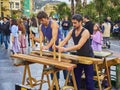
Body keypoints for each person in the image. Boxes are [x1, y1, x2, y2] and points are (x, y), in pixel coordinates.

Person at [56, 14, 94, 90]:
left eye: (75, 23)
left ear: (81, 22)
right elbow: (65, 40)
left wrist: (65, 49)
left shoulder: (85, 32)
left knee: (89, 79)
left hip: (88, 57)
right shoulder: (72, 31)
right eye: (73, 23)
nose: (74, 24)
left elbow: (79, 46)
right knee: (76, 77)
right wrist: (59, 46)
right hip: (79, 56)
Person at [31, 11, 67, 88]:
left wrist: (47, 46)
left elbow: (54, 38)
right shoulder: (41, 26)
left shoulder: (54, 24)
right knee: (52, 65)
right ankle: (55, 83)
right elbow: (41, 39)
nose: (41, 22)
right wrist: (34, 38)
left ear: (47, 18)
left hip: (60, 46)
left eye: (42, 20)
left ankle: (68, 82)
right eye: (40, 20)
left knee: (64, 65)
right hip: (51, 47)